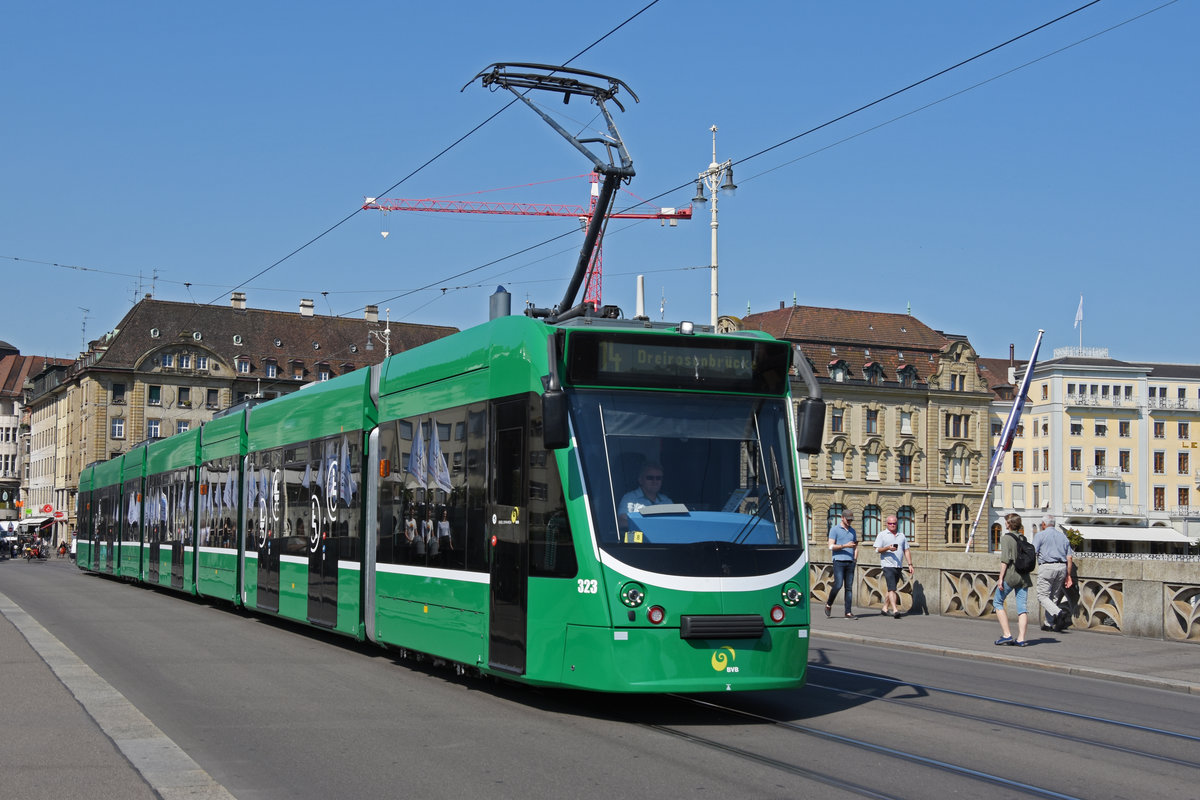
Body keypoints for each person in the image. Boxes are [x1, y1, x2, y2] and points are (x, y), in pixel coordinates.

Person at [993, 513, 1034, 646]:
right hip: (1024, 577)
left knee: (998, 602)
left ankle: (1007, 635)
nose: (1005, 523)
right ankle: (1021, 639)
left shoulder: (1006, 538)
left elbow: (1005, 560)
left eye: (1006, 521)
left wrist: (1000, 578)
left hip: (1011, 576)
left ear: (1009, 524)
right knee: (1022, 608)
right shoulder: (1023, 537)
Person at [1032, 513, 1074, 632]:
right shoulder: (1063, 537)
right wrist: (1068, 575)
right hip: (1061, 567)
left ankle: (1059, 612)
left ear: (1044, 524)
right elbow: (1069, 558)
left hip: (1047, 567)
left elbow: (1033, 552)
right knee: (1054, 596)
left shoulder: (1040, 535)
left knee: (1042, 595)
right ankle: (1048, 623)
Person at [874, 514, 913, 618]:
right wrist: (887, 548)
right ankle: (895, 610)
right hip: (887, 565)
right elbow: (877, 549)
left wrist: (910, 564)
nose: (892, 525)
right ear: (887, 524)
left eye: (894, 523)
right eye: (890, 523)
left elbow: (906, 550)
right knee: (892, 589)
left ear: (897, 523)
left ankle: (885, 608)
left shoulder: (902, 535)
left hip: (898, 565)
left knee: (892, 588)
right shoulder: (882, 534)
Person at [617, 463, 674, 530]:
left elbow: (675, 523)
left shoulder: (667, 501)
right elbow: (620, 522)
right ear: (640, 480)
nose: (655, 481)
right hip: (635, 537)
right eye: (650, 478)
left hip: (663, 537)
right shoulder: (629, 498)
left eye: (658, 478)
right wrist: (646, 524)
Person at [825, 509, 858, 619]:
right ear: (842, 518)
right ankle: (829, 604)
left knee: (849, 588)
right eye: (848, 519)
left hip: (850, 562)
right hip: (838, 561)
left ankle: (848, 612)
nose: (849, 522)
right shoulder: (834, 530)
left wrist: (855, 560)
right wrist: (844, 546)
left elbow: (855, 546)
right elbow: (830, 546)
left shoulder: (853, 531)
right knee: (838, 585)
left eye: (851, 520)